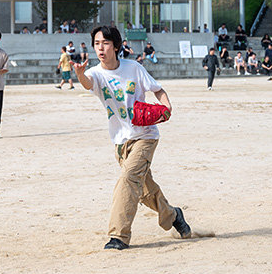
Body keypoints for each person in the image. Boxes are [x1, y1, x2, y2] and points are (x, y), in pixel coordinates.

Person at [70, 25, 192, 250]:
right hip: (120, 142)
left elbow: (157, 88)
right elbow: (88, 83)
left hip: (145, 136)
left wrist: (166, 105)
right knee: (145, 192)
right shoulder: (95, 73)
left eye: (105, 43)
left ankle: (119, 235)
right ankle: (174, 215)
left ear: (116, 46)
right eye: (97, 43)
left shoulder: (133, 68)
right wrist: (79, 74)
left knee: (127, 181)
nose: (101, 48)